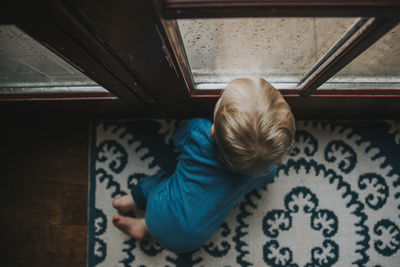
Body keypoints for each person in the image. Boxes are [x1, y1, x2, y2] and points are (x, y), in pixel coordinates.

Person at [111, 77, 296, 253]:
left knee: (166, 178)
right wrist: (270, 164)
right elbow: (270, 176)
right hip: (193, 239)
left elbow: (178, 138)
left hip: (158, 210)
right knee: (179, 201)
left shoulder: (198, 133)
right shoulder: (260, 172)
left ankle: (133, 200)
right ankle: (142, 227)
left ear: (213, 131)